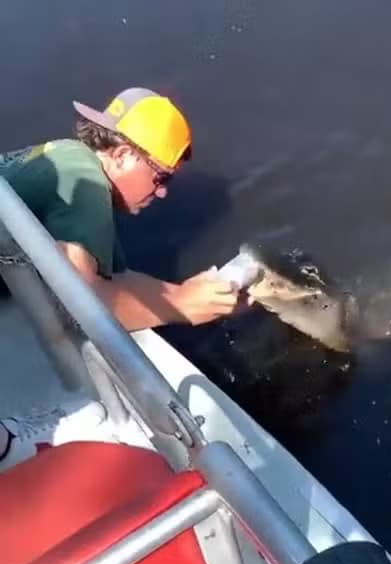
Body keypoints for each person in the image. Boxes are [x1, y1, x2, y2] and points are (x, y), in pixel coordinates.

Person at [0, 87, 241, 469]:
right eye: (160, 177)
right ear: (124, 154)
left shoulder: (67, 157)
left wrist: (184, 294)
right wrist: (181, 307)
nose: (161, 193)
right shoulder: (86, 181)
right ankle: (8, 445)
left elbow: (114, 277)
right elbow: (81, 303)